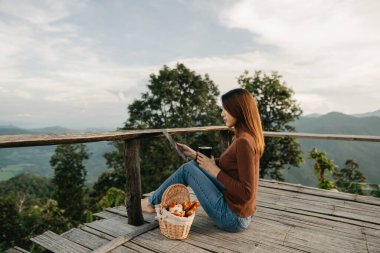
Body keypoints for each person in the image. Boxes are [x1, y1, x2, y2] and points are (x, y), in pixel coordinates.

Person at [141, 88, 265, 232]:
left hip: (233, 218)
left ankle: (150, 203)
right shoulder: (244, 136)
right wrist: (194, 155)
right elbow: (231, 166)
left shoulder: (244, 142)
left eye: (225, 109)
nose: (222, 114)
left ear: (238, 110)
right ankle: (151, 201)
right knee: (194, 165)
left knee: (188, 169)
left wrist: (213, 170)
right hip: (238, 211)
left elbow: (246, 192)